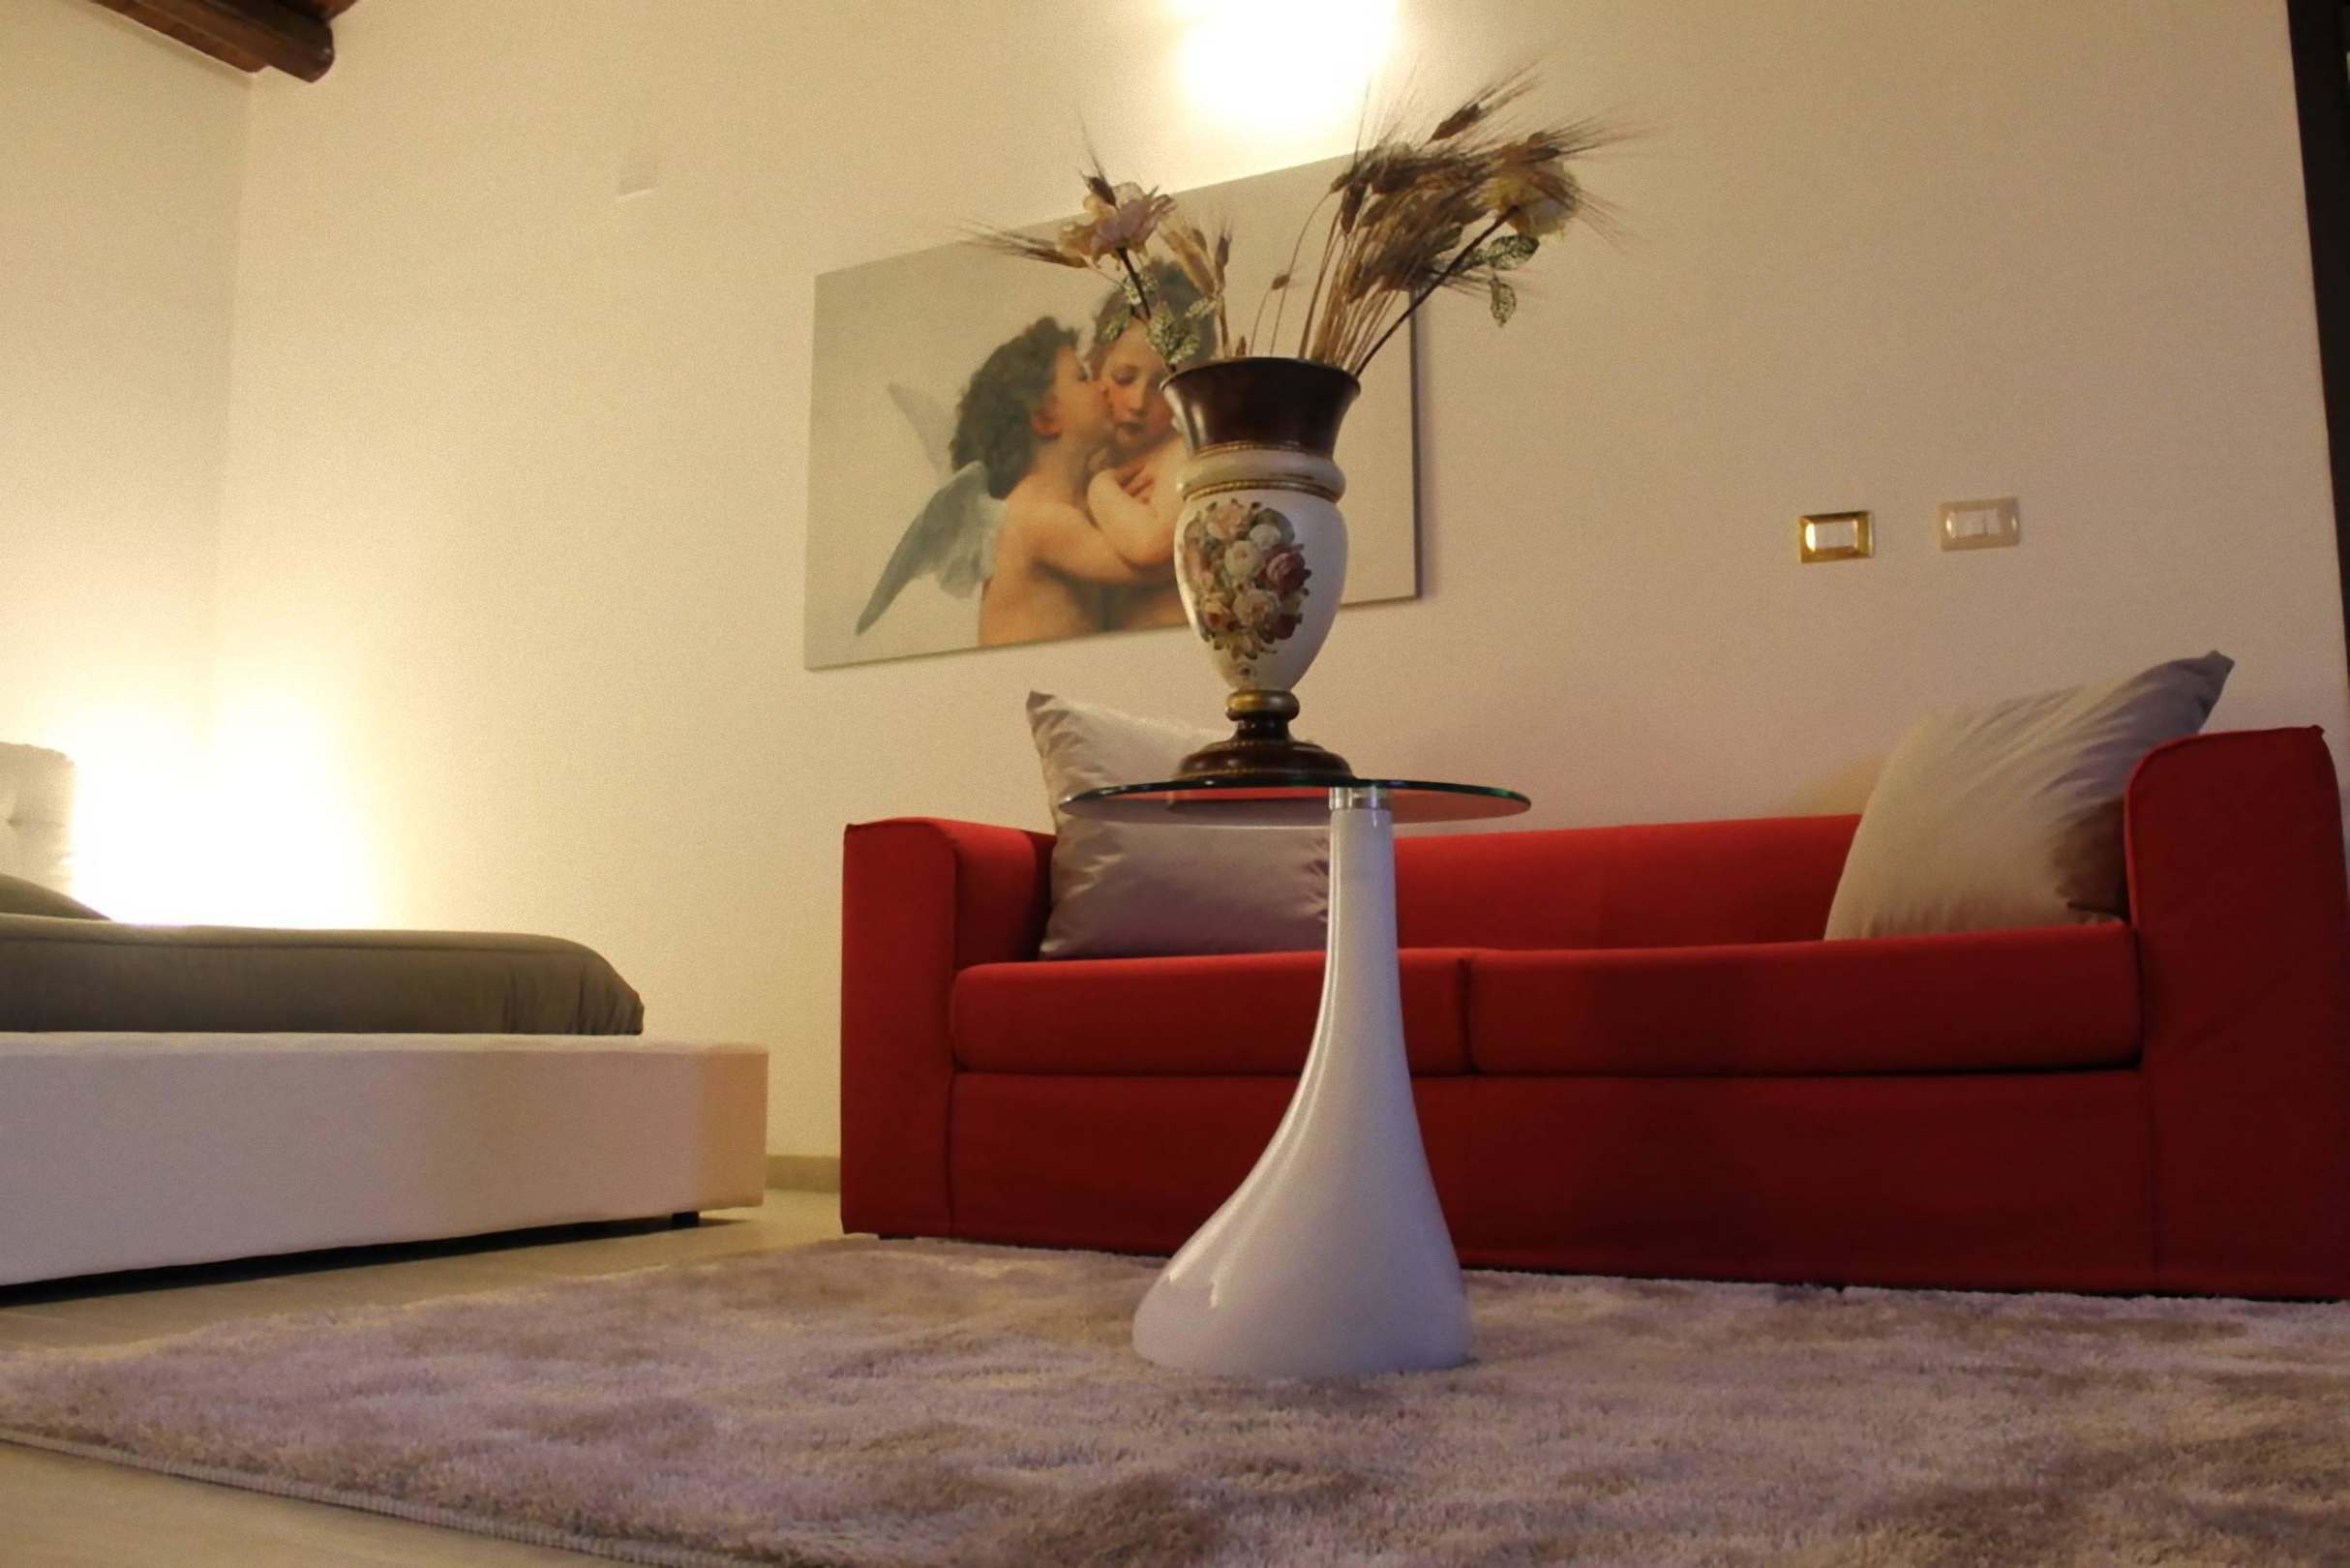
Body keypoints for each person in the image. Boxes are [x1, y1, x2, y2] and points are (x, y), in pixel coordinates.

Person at [947, 317, 1160, 647]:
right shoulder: (1035, 514)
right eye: (1082, 378)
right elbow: (1152, 568)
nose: (1103, 387)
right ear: (1047, 418)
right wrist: (1105, 487)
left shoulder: (1060, 507)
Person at [1082, 264, 1211, 631]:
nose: (1139, 402)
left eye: (1162, 386)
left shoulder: (1179, 455)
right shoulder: (1090, 455)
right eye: (1124, 378)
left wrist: (1100, 489)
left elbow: (1151, 544)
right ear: (1095, 368)